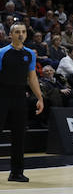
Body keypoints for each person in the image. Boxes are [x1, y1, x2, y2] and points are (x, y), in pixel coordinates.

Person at [0, 22, 44, 181]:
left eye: (23, 32)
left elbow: (32, 77)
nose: (21, 34)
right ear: (10, 35)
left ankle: (16, 172)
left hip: (19, 96)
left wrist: (40, 98)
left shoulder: (30, 54)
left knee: (19, 135)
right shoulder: (2, 52)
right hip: (2, 94)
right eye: (17, 32)